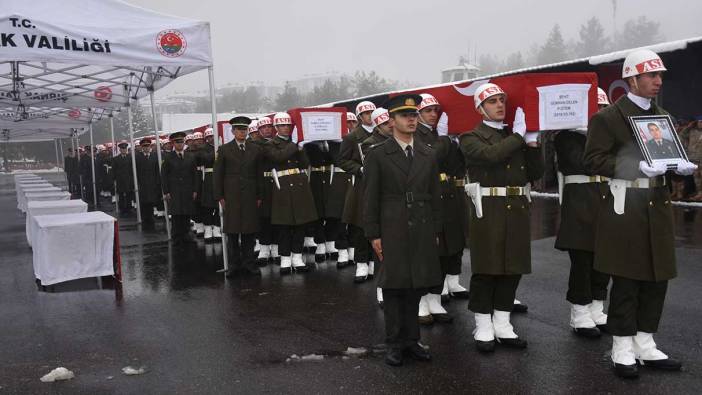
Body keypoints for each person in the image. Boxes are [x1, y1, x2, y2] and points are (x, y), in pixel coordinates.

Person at [583, 49, 697, 378]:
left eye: (660, 75)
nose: (658, 81)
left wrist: (679, 168)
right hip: (626, 206)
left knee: (656, 277)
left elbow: (666, 156)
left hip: (657, 206)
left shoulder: (663, 116)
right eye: (651, 75)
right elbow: (592, 160)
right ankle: (622, 347)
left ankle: (645, 343)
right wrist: (635, 167)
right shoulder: (608, 118)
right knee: (627, 279)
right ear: (632, 79)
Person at [460, 83, 544, 353]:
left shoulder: (515, 135)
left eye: (501, 100)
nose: (499, 105)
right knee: (487, 268)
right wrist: (519, 137)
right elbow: (491, 156)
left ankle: (503, 322)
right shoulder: (470, 137)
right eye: (492, 101)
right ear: (480, 108)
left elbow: (535, 172)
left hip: (516, 205)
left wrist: (532, 143)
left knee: (512, 267)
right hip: (489, 207)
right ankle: (483, 323)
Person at [363, 94, 443, 367]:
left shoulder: (427, 153)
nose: (411, 119)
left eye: (414, 115)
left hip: (421, 224)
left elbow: (434, 194)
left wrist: (435, 229)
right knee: (395, 286)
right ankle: (394, 343)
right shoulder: (378, 154)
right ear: (392, 120)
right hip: (392, 225)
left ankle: (412, 340)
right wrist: (373, 234)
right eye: (404, 115)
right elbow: (370, 197)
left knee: (415, 285)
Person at [554, 87, 612, 339]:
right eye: (595, 108)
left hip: (606, 201)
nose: (599, 113)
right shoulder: (566, 137)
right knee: (582, 262)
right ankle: (579, 313)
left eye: (603, 108)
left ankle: (597, 308)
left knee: (604, 260)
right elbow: (583, 163)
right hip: (579, 205)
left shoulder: (608, 137)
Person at [266, 112, 318, 273]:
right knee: (284, 226)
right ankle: (285, 258)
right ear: (276, 127)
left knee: (301, 224)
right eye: (282, 125)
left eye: (288, 125)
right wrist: (294, 144)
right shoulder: (270, 144)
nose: (286, 128)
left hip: (299, 186)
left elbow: (305, 164)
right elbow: (278, 157)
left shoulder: (295, 144)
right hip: (282, 187)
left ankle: (297, 256)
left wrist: (301, 148)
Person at [214, 116, 264, 276]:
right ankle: (234, 266)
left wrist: (259, 195)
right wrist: (219, 196)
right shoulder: (224, 150)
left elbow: (259, 174)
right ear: (233, 131)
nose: (242, 132)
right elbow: (218, 175)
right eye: (239, 130)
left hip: (250, 195)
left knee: (249, 232)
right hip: (231, 196)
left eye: (245, 129)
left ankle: (249, 264)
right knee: (233, 232)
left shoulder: (255, 149)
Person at [339, 100, 377, 283]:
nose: (370, 116)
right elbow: (343, 160)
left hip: (380, 184)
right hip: (361, 185)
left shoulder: (384, 133)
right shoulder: (352, 137)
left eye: (372, 112)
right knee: (361, 224)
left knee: (377, 223)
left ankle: (374, 262)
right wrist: (360, 169)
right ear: (360, 117)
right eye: (366, 113)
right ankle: (362, 262)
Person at [361, 107, 393, 307]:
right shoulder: (369, 144)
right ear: (377, 125)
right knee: (382, 249)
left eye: (390, 122)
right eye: (383, 124)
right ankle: (382, 287)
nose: (389, 126)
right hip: (381, 199)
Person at [162, 131, 200, 244]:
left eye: (181, 142)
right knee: (176, 214)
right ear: (173, 144)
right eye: (177, 142)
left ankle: (186, 233)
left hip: (188, 190)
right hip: (174, 190)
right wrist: (166, 191)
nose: (180, 144)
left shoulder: (190, 157)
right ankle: (176, 236)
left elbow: (195, 174)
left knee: (186, 213)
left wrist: (195, 190)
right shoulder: (168, 158)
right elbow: (164, 176)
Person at [253, 116, 280, 264]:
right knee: (263, 217)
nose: (267, 129)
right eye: (263, 128)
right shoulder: (255, 145)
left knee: (276, 217)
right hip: (262, 183)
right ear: (259, 130)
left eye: (269, 127)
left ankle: (275, 248)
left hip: (277, 182)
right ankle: (264, 248)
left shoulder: (279, 142)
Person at [198, 128, 222, 241]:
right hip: (208, 178)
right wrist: (217, 150)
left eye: (213, 136)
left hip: (220, 177)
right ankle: (208, 229)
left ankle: (217, 228)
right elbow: (206, 159)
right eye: (209, 137)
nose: (211, 138)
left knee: (219, 204)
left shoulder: (222, 146)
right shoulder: (203, 148)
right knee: (207, 205)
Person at [135, 138, 162, 231]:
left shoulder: (155, 156)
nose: (146, 148)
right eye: (144, 146)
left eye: (148, 146)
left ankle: (151, 220)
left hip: (153, 183)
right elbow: (135, 172)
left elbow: (157, 170)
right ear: (142, 147)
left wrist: (158, 182)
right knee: (143, 203)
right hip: (142, 184)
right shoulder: (137, 157)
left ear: (150, 146)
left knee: (151, 202)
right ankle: (145, 221)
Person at [679, 117, 702, 200]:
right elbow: (681, 135)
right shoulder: (691, 131)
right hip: (693, 158)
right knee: (697, 178)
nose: (700, 124)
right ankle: (699, 193)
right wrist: (689, 126)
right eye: (699, 122)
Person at [112, 141, 135, 214]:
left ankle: (129, 208)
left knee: (129, 194)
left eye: (125, 149)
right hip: (120, 179)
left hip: (129, 179)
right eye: (122, 149)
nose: (124, 150)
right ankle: (122, 209)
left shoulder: (131, 157)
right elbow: (114, 170)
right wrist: (114, 179)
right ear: (120, 150)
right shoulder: (116, 159)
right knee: (121, 195)